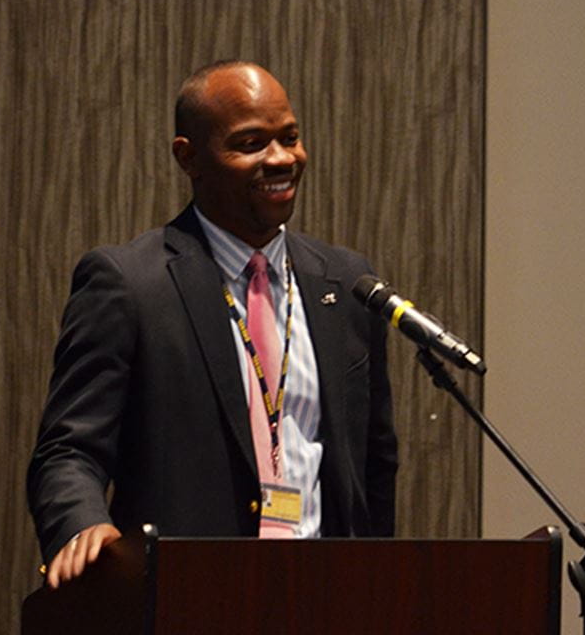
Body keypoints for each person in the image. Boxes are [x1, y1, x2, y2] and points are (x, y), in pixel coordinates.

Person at [27, 60, 398, 588]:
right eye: (251, 144)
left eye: (290, 138)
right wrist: (81, 524)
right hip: (189, 601)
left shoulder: (347, 282)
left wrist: (378, 587)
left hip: (325, 603)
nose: (281, 159)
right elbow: (68, 450)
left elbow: (374, 464)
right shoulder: (131, 284)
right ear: (189, 157)